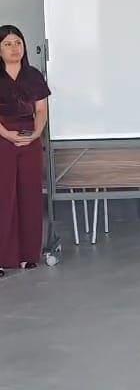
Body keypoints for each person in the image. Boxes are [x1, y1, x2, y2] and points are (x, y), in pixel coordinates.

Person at [0, 25, 51, 278]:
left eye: (18, 42)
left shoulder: (33, 75)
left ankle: (28, 255)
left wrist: (36, 132)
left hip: (30, 139)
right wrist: (7, 134)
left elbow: (41, 109)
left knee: (29, 194)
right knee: (4, 197)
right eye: (8, 44)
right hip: (2, 138)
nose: (14, 48)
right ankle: (3, 257)